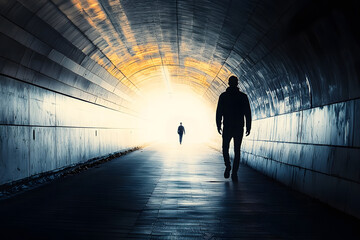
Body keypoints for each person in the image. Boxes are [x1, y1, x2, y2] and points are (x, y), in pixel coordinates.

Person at [216, 76, 251, 181]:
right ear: (237, 83)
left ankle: (228, 166)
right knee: (237, 150)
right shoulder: (243, 96)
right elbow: (247, 113)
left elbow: (219, 112)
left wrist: (218, 124)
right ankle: (234, 172)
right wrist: (248, 126)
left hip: (227, 127)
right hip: (239, 127)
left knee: (225, 148)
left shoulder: (223, 96)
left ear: (228, 83)